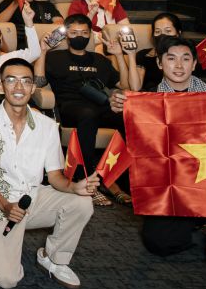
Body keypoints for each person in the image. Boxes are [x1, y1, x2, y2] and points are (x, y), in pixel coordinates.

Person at [109, 36, 206, 282]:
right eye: (171, 59)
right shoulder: (147, 98)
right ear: (160, 64)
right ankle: (196, 218)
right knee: (159, 244)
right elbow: (133, 140)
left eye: (186, 59)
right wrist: (120, 108)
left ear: (195, 64)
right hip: (174, 185)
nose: (179, 65)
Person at [0, 58, 99, 289]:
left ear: (33, 87)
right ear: (1, 86)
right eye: (11, 80)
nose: (18, 87)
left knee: (81, 202)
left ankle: (54, 259)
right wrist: (4, 205)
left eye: (25, 81)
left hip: (33, 197)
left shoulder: (47, 126)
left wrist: (74, 187)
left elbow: (55, 177)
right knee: (6, 280)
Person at [44, 14, 137, 206]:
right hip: (70, 107)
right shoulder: (55, 57)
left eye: (84, 32)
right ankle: (87, 179)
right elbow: (38, 81)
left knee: (130, 118)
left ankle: (119, 179)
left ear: (90, 35)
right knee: (88, 114)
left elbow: (126, 85)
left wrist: (119, 55)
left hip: (101, 106)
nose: (80, 36)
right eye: (74, 32)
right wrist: (43, 50)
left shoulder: (99, 60)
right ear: (66, 34)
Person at [133, 13, 182, 90]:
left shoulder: (187, 56)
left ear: (178, 34)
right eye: (158, 31)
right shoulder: (143, 55)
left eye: (168, 31)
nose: (162, 35)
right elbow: (135, 88)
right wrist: (130, 54)